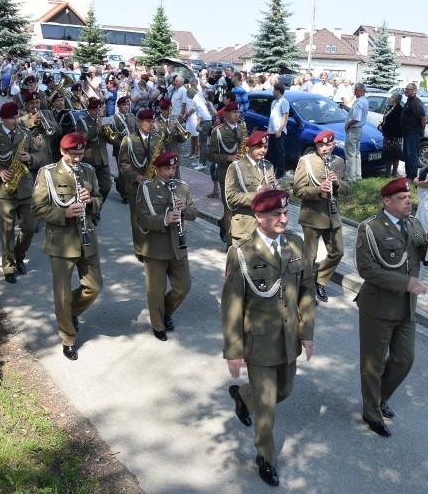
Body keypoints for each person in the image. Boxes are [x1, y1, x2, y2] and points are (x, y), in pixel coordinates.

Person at [221, 189, 316, 488]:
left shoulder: (295, 244)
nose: (283, 219)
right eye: (276, 215)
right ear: (259, 217)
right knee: (267, 407)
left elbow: (307, 290)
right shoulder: (241, 253)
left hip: (288, 339)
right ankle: (265, 456)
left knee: (284, 390)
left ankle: (242, 396)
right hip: (258, 341)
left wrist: (307, 333)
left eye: (285, 213)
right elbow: (232, 305)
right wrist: (234, 351)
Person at [354, 178, 428, 437]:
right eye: (403, 198)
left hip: (406, 308)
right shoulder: (370, 229)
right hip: (378, 308)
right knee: (373, 364)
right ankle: (371, 412)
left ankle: (380, 397)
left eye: (409, 197)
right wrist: (406, 283)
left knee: (405, 358)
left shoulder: (414, 224)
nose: (409, 201)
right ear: (387, 201)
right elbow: (367, 269)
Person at [31, 132, 102, 361]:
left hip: (87, 238)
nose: (77, 159)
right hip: (61, 241)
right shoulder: (48, 173)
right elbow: (37, 209)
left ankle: (67, 314)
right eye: (73, 155)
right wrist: (64, 212)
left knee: (94, 287)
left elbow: (100, 199)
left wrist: (91, 201)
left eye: (81, 154)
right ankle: (68, 338)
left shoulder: (88, 171)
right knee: (62, 294)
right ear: (62, 152)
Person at [0, 102, 43, 284]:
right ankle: (9, 266)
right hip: (4, 190)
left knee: (30, 226)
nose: (16, 121)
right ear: (2, 119)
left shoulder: (26, 134)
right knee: (6, 231)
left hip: (25, 188)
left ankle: (19, 255)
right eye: (12, 118)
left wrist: (31, 158)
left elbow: (38, 156)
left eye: (16, 117)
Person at [136, 152, 199, 341]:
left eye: (173, 168)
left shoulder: (182, 187)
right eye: (166, 169)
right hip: (155, 247)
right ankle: (158, 325)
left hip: (177, 246)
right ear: (157, 169)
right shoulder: (146, 188)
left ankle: (165, 312)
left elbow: (194, 213)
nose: (170, 172)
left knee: (184, 286)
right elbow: (141, 219)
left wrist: (184, 209)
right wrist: (164, 219)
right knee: (155, 291)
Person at [293, 130, 351, 302]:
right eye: (321, 145)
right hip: (313, 215)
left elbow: (349, 188)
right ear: (316, 145)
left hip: (332, 216)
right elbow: (297, 190)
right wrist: (317, 190)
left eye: (328, 145)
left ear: (333, 144)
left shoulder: (338, 162)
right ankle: (305, 290)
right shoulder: (307, 162)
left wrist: (337, 183)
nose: (325, 148)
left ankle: (321, 280)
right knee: (309, 257)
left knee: (338, 252)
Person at [118, 108, 158, 261]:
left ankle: (151, 246)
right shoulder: (129, 140)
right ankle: (140, 249)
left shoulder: (156, 138)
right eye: (148, 121)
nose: (151, 124)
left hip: (153, 184)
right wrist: (135, 176)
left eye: (153, 121)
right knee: (137, 218)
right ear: (140, 122)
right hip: (136, 185)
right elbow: (123, 163)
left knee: (153, 215)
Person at [224, 130, 277, 245]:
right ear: (249, 147)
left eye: (265, 147)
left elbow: (276, 192)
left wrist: (275, 188)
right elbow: (231, 198)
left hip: (266, 226)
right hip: (245, 226)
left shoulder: (268, 166)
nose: (263, 150)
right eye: (259, 147)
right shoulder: (237, 167)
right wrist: (258, 195)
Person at [208, 102, 244, 242]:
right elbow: (211, 155)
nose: (237, 115)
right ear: (226, 114)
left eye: (238, 112)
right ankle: (230, 244)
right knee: (229, 210)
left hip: (242, 175)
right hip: (227, 175)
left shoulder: (242, 129)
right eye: (234, 112)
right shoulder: (218, 132)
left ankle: (223, 223)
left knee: (240, 209)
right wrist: (228, 157)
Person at [400, 83, 426, 180]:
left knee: (412, 155)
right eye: (405, 88)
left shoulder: (416, 101)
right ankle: (408, 175)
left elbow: (423, 117)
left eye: (408, 89)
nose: (405, 90)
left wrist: (421, 129)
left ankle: (413, 176)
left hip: (413, 133)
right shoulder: (409, 100)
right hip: (407, 133)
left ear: (414, 91)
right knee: (407, 155)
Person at [344, 83, 367, 182]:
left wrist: (348, 124)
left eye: (355, 91)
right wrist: (345, 107)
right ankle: (358, 175)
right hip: (359, 130)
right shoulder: (365, 101)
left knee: (350, 155)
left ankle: (350, 178)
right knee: (357, 153)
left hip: (353, 130)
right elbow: (354, 113)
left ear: (359, 91)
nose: (354, 93)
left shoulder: (359, 103)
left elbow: (356, 118)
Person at [267, 82, 290, 180]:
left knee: (279, 152)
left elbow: (285, 116)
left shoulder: (284, 102)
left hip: (278, 130)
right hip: (271, 130)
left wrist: (279, 130)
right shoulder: (274, 102)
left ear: (278, 91)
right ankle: (271, 170)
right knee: (271, 151)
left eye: (274, 90)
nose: (272, 92)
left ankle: (280, 172)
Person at [380, 91, 403, 177]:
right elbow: (386, 120)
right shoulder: (390, 107)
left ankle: (394, 173)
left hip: (395, 136)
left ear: (396, 99)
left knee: (395, 156)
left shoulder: (400, 109)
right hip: (388, 135)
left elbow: (396, 124)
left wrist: (385, 128)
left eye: (392, 97)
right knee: (388, 155)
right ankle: (387, 173)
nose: (390, 98)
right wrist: (382, 126)